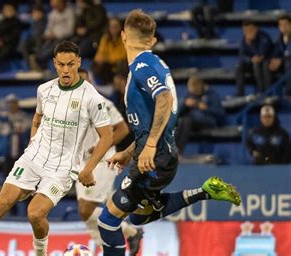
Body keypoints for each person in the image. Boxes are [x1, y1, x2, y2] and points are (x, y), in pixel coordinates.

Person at [96, 10, 242, 256]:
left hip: (155, 157)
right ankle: (205, 191)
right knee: (138, 217)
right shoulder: (153, 63)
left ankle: (205, 192)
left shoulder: (142, 66)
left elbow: (163, 98)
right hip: (157, 155)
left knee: (107, 221)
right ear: (152, 40)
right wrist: (129, 151)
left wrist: (150, 146)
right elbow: (153, 118)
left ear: (122, 37)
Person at [0, 41, 113, 256]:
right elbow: (37, 118)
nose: (65, 70)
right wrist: (33, 143)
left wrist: (88, 168)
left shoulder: (92, 98)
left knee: (34, 213)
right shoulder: (44, 90)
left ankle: (40, 253)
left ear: (78, 62)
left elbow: (106, 137)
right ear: (54, 64)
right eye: (61, 64)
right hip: (34, 157)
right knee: (1, 203)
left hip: (63, 167)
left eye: (70, 64)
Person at [76, 69, 144, 255]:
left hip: (101, 161)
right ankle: (114, 244)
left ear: (89, 81)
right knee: (88, 214)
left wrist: (100, 146)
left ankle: (130, 232)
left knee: (86, 210)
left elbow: (122, 130)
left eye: (84, 80)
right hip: (81, 164)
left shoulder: (102, 103)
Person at [176, 76, 224, 154]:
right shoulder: (189, 93)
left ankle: (179, 151)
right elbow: (178, 113)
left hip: (208, 122)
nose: (194, 93)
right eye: (192, 92)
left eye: (196, 91)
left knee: (187, 121)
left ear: (201, 87)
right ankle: (172, 149)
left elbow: (220, 114)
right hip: (192, 121)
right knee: (181, 120)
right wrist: (185, 104)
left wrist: (205, 108)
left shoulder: (212, 94)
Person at [236, 21, 273, 96]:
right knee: (239, 67)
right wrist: (250, 59)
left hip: (265, 62)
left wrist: (250, 43)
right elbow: (241, 55)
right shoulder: (244, 39)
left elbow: (263, 53)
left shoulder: (264, 37)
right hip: (251, 62)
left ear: (256, 29)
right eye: (245, 31)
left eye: (250, 30)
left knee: (257, 64)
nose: (247, 32)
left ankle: (262, 91)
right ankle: (240, 94)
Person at [92, 17, 127, 85]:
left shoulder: (124, 39)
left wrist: (108, 59)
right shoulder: (105, 38)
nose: (113, 29)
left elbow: (123, 56)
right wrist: (102, 59)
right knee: (96, 66)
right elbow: (99, 55)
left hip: (119, 66)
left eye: (115, 26)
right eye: (111, 26)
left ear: (120, 27)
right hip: (108, 65)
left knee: (122, 65)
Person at [269, 14, 291, 96]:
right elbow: (275, 52)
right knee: (267, 64)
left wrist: (280, 60)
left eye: (285, 24)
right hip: (284, 63)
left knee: (288, 65)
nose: (283, 27)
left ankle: (289, 94)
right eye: (280, 24)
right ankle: (272, 95)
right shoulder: (279, 38)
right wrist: (273, 60)